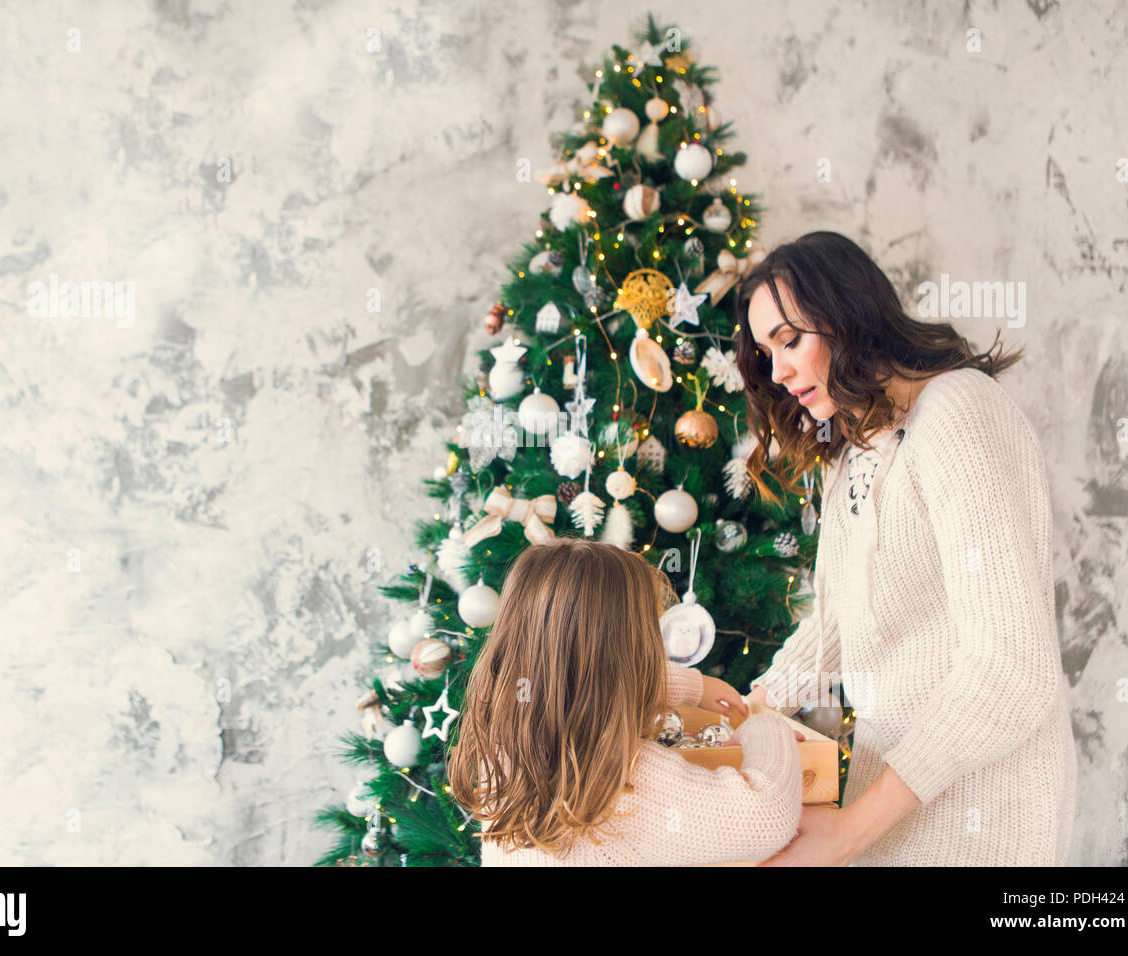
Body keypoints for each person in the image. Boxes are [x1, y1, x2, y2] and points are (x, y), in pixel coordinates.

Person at [732, 231, 1077, 865]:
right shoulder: (857, 446)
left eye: (790, 340)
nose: (777, 372)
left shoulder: (957, 413)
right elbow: (838, 623)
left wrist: (855, 827)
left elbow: (1012, 668)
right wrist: (745, 708)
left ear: (847, 315)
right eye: (765, 351)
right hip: (891, 804)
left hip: (979, 814)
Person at [447, 538, 806, 866]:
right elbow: (768, 816)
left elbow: (571, 680)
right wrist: (766, 725)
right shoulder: (624, 781)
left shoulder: (503, 740)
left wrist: (692, 686)